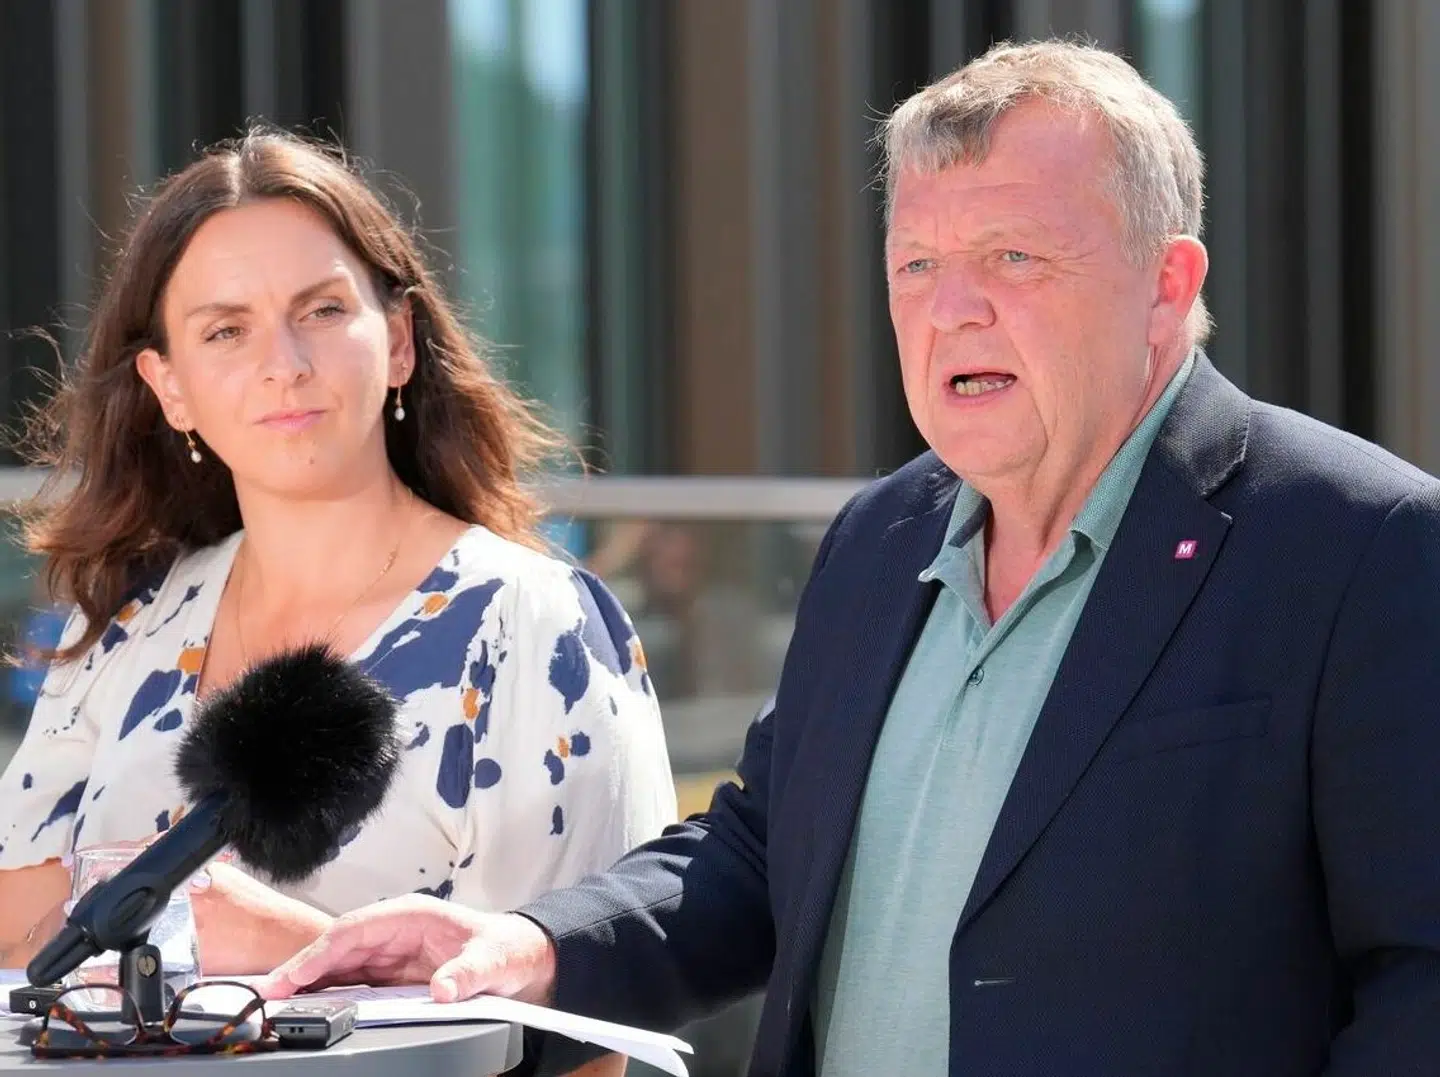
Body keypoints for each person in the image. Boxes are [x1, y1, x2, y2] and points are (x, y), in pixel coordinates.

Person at [272, 39, 1440, 1076]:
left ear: (1166, 285)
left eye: (1015, 258)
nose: (952, 310)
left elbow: (1421, 983)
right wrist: (522, 943)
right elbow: (761, 853)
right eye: (916, 266)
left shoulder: (1361, 546)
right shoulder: (879, 540)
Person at [0, 128, 676, 1074]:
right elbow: (16, 930)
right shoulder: (122, 626)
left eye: (320, 310)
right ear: (169, 388)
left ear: (397, 340)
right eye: (225, 329)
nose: (284, 363)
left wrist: (297, 945)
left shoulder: (533, 625)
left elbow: (588, 1040)